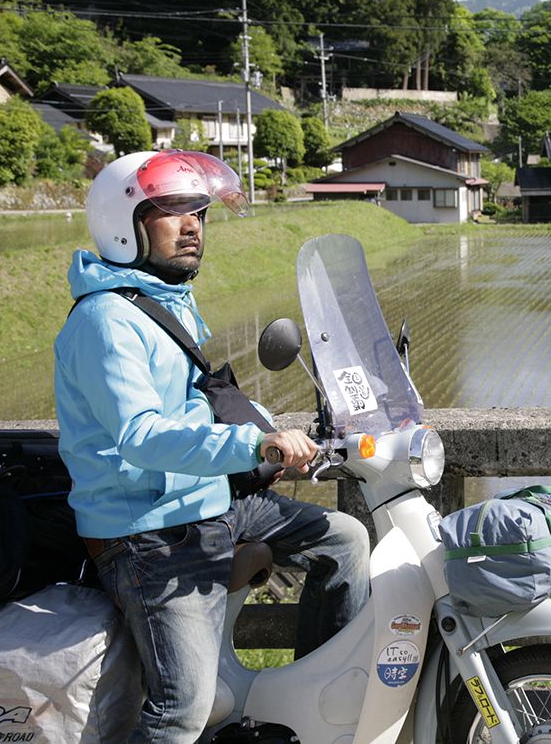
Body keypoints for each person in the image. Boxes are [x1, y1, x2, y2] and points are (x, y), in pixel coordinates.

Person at [54, 149, 371, 742]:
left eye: (198, 210)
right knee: (184, 709)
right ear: (126, 226)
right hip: (147, 532)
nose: (193, 223)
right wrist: (253, 446)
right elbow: (142, 434)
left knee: (345, 541)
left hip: (210, 504)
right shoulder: (106, 320)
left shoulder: (164, 300)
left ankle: (317, 694)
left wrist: (275, 430)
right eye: (171, 209)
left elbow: (196, 403)